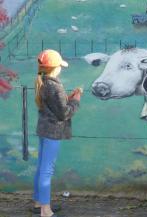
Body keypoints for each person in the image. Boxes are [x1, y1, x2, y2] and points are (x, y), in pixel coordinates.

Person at [32, 49, 82, 217]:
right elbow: (64, 113)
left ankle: (38, 202)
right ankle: (45, 211)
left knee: (41, 167)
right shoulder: (54, 85)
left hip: (44, 129)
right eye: (60, 66)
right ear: (55, 68)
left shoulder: (43, 82)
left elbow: (53, 105)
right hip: (52, 133)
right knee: (47, 170)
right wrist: (76, 100)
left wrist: (67, 97)